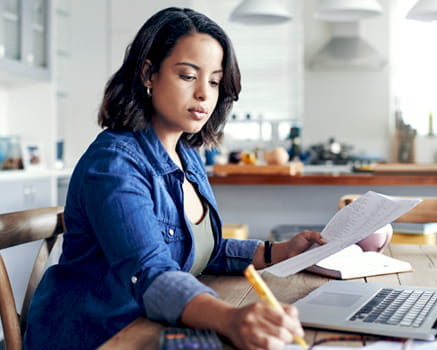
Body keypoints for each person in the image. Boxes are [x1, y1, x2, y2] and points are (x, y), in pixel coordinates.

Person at [24, 7, 324, 350]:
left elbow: (201, 252)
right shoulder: (113, 165)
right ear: (149, 73)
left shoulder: (188, 156)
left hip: (151, 328)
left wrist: (279, 252)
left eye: (213, 81)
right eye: (187, 76)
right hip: (99, 336)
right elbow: (151, 271)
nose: (204, 94)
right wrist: (231, 318)